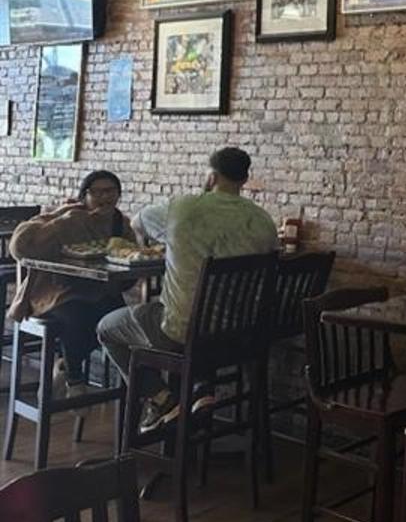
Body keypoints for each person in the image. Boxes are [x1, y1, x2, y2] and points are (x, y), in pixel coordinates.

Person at [98, 147, 277, 434]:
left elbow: (137, 222)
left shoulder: (183, 208)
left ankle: (164, 400)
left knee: (107, 328)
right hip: (239, 334)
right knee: (201, 312)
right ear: (244, 180)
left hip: (182, 334)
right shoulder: (263, 220)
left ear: (211, 176)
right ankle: (198, 389)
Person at [8, 170, 134, 398]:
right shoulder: (68, 217)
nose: (105, 197)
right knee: (77, 314)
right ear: (84, 195)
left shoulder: (120, 223)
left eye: (110, 191)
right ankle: (75, 379)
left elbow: (129, 261)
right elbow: (20, 247)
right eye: (97, 192)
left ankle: (66, 366)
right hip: (54, 292)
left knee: (121, 320)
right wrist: (60, 217)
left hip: (98, 290)